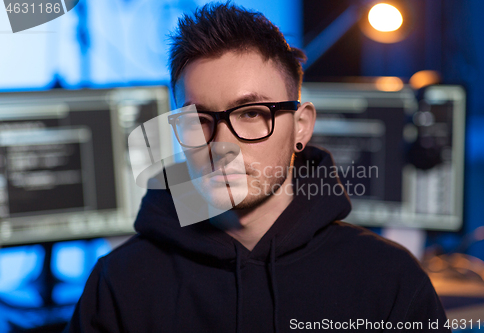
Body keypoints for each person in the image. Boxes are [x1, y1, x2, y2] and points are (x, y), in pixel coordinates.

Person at [64, 2, 449, 332]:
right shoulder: (118, 285)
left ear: (301, 126)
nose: (221, 145)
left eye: (251, 113)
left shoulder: (389, 279)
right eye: (197, 119)